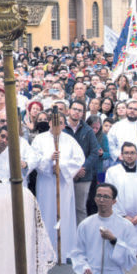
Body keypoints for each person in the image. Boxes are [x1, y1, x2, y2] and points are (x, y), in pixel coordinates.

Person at [69, 183, 137, 274]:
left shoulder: (126, 226)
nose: (102, 200)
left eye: (106, 197)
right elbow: (77, 253)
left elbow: (131, 259)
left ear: (114, 201)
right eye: (99, 196)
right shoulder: (86, 224)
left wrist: (114, 240)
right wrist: (84, 267)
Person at [30, 110, 85, 263]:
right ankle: (46, 252)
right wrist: (49, 161)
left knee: (64, 214)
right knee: (47, 213)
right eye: (54, 122)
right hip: (46, 183)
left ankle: (65, 250)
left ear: (64, 125)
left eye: (60, 123)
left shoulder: (70, 140)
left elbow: (79, 159)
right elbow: (34, 159)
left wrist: (62, 167)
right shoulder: (39, 139)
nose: (56, 125)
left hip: (64, 184)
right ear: (49, 123)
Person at [104, 142, 137, 254]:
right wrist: (123, 215)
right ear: (121, 155)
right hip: (121, 218)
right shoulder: (112, 172)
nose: (129, 156)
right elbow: (110, 195)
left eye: (132, 153)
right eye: (126, 153)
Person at [65, 98, 101, 225]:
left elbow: (94, 152)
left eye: (80, 110)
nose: (76, 112)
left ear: (83, 113)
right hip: (65, 175)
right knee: (64, 207)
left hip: (83, 176)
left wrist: (83, 168)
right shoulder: (62, 128)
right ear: (69, 110)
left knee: (80, 208)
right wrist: (71, 170)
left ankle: (81, 234)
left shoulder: (88, 130)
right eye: (74, 109)